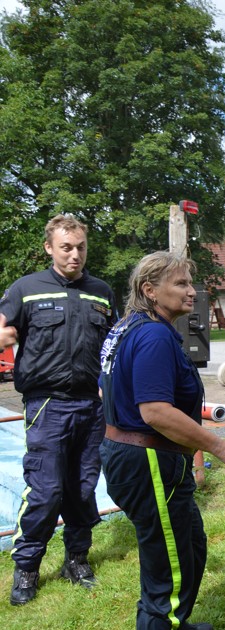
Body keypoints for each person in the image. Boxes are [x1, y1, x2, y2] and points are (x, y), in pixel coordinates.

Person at [99, 251, 225, 630]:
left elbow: (109, 393)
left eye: (190, 283)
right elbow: (154, 411)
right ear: (150, 290)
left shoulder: (127, 327)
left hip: (144, 456)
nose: (192, 292)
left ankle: (176, 627)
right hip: (149, 459)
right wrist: (218, 447)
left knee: (191, 545)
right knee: (166, 568)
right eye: (181, 284)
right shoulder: (152, 336)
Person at [0, 214, 116, 606]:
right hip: (47, 405)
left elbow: (113, 347)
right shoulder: (25, 289)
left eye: (80, 247)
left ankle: (76, 560)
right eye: (66, 247)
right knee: (46, 491)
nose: (74, 255)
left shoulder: (101, 292)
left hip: (91, 406)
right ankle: (27, 569)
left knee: (83, 488)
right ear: (49, 247)